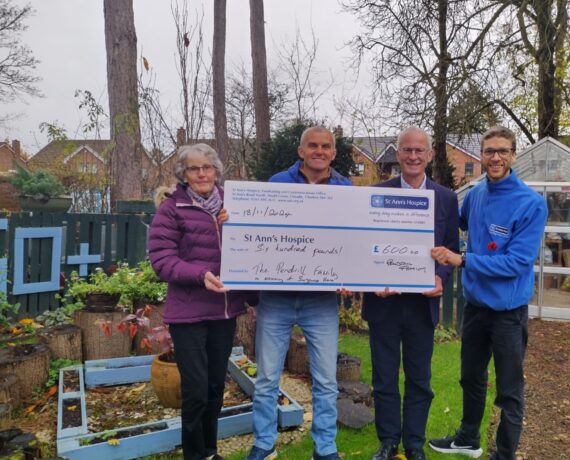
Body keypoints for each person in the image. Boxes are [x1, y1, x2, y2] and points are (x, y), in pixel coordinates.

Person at [428, 126, 547, 460]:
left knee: (509, 391)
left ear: (513, 155)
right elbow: (455, 224)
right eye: (489, 151)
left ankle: (504, 454)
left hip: (508, 314)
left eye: (502, 151)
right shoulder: (476, 195)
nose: (495, 158)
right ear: (481, 155)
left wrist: (464, 259)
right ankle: (468, 439)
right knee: (470, 378)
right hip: (476, 308)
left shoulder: (531, 204)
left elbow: (517, 262)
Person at [245, 126, 351, 460]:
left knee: (326, 380)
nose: (319, 151)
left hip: (321, 301)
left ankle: (325, 448)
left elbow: (351, 239)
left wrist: (351, 274)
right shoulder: (278, 184)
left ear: (333, 153)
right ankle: (264, 444)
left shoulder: (345, 189)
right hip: (277, 298)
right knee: (267, 378)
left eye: (326, 146)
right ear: (301, 151)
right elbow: (258, 230)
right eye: (313, 146)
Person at [148, 143, 256, 460]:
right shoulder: (171, 209)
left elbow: (254, 245)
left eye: (207, 167)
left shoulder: (235, 205)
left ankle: (210, 451)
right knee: (195, 389)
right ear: (184, 174)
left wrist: (233, 228)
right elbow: (161, 260)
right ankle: (194, 455)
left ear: (216, 170)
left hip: (223, 312)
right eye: (194, 168)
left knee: (213, 388)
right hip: (188, 314)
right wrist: (201, 274)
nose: (201, 173)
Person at [363, 126, 459, 460]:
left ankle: (414, 444)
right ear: (398, 154)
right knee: (384, 378)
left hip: (421, 305)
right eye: (407, 150)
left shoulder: (446, 198)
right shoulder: (375, 194)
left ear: (429, 155)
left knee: (419, 379)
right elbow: (363, 246)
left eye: (419, 151)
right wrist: (371, 280)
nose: (413, 156)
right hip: (384, 304)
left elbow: (451, 248)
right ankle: (389, 441)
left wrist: (440, 277)